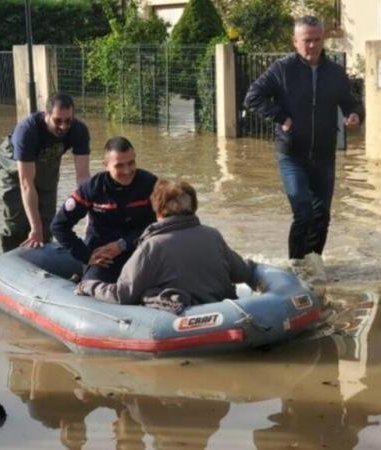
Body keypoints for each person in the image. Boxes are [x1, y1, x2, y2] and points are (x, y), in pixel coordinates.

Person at [243, 15, 364, 282]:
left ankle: (315, 261)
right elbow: (253, 96)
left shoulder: (334, 73)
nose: (312, 46)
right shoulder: (282, 69)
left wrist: (354, 115)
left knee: (322, 214)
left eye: (317, 40)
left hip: (324, 155)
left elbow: (351, 102)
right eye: (307, 40)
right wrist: (281, 117)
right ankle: (296, 264)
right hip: (291, 154)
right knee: (303, 209)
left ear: (323, 39)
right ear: (295, 41)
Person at [76, 179, 255, 310]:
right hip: (221, 311)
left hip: (180, 320)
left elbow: (123, 294)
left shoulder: (151, 247)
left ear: (158, 210)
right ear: (194, 207)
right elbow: (242, 273)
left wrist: (89, 285)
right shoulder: (213, 235)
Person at [51, 136, 157, 283]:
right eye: (119, 166)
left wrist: (123, 244)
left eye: (131, 163)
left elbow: (161, 225)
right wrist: (86, 256)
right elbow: (59, 226)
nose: (127, 171)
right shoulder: (92, 189)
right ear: (105, 165)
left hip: (139, 248)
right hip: (103, 255)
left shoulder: (150, 184)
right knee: (94, 288)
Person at [0, 93, 90, 252]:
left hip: (47, 164)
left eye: (68, 121)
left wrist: (90, 216)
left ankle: (40, 263)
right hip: (13, 165)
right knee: (17, 223)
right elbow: (26, 184)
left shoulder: (79, 130)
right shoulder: (27, 131)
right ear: (46, 115)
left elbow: (83, 178)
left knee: (47, 225)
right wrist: (34, 227)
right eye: (58, 121)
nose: (64, 126)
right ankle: (9, 260)